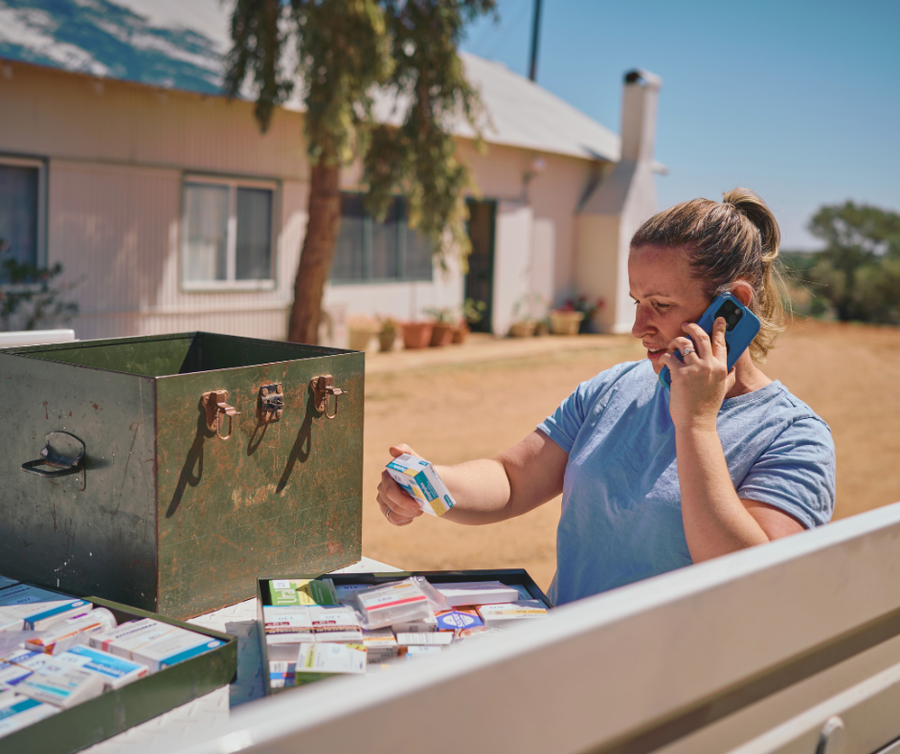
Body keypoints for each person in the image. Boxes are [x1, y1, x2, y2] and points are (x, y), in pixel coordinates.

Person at [376, 188, 836, 605]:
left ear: (733, 306)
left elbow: (755, 585)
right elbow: (514, 479)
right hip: (570, 664)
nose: (639, 328)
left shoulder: (794, 437)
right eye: (637, 302)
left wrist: (695, 423)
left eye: (661, 305)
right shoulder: (613, 387)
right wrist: (434, 484)